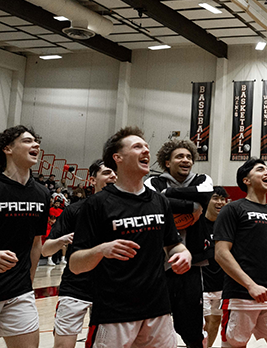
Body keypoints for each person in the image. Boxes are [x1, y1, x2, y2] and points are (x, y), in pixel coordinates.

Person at [69, 126, 192, 348]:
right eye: (137, 147)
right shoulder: (97, 204)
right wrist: (101, 250)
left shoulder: (160, 201)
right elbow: (75, 264)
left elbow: (174, 245)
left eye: (146, 146)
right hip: (114, 312)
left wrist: (184, 254)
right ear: (117, 158)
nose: (146, 150)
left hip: (158, 310)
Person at [214, 159, 267, 348]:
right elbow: (221, 253)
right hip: (240, 296)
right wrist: (251, 285)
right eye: (260, 170)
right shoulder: (232, 209)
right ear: (246, 180)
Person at [145, 139, 215, 348]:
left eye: (189, 157)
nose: (186, 160)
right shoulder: (153, 182)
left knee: (192, 326)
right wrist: (191, 205)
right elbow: (154, 200)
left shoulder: (202, 178)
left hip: (192, 263)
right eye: (180, 156)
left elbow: (205, 194)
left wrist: (169, 196)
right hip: (159, 264)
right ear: (167, 162)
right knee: (155, 322)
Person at [41, 159, 116, 348]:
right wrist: (62, 240)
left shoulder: (127, 211)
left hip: (111, 290)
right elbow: (46, 249)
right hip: (75, 288)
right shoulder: (74, 210)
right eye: (107, 172)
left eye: (116, 172)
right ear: (92, 180)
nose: (113, 176)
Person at [0, 125, 50, 348]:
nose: (36, 145)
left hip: (19, 292)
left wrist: (27, 285)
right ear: (8, 149)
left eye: (36, 141)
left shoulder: (42, 193)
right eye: (27, 141)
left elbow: (35, 243)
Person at [200, 186, 229, 347]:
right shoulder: (197, 223)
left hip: (221, 284)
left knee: (215, 321)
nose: (220, 202)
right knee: (204, 322)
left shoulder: (226, 224)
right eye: (215, 198)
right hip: (201, 283)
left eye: (222, 199)